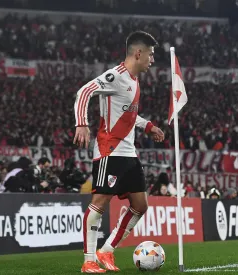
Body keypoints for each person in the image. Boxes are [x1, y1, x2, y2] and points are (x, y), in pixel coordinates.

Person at [73, 31, 165, 273]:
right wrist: (81, 123)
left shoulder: (134, 80)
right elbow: (84, 92)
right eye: (151, 55)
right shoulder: (116, 76)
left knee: (140, 205)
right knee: (100, 202)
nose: (152, 60)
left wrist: (148, 126)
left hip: (128, 153)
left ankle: (107, 250)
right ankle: (89, 259)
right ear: (138, 53)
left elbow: (128, 115)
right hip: (109, 151)